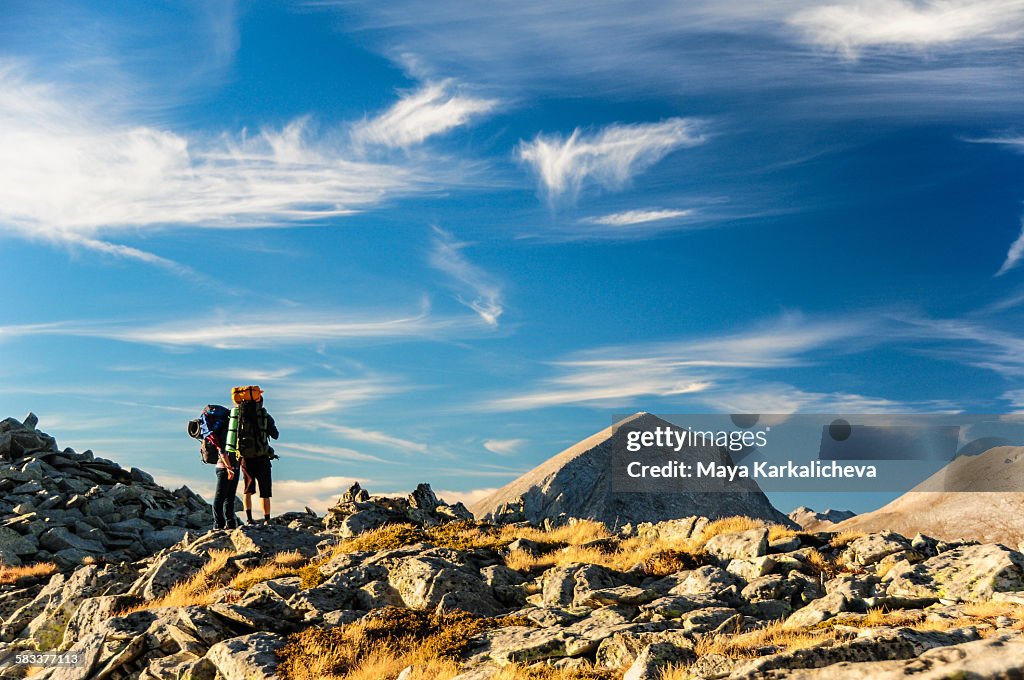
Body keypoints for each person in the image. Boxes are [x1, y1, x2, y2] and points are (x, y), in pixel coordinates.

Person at [225, 393, 279, 525]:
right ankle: (267, 519)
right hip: (262, 457)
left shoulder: (239, 417)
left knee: (248, 489)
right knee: (265, 490)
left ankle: (249, 519)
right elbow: (275, 435)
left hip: (245, 458)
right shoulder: (264, 416)